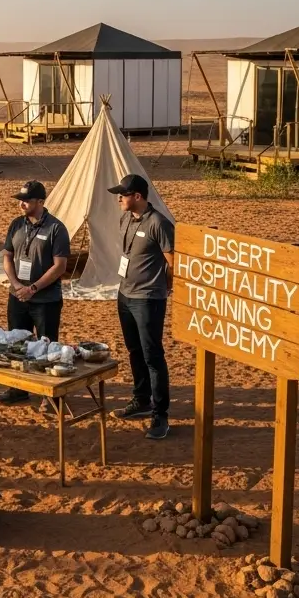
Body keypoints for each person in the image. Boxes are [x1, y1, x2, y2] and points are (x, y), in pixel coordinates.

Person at [107, 173, 174, 440]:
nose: (119, 199)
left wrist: (166, 287)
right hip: (125, 295)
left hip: (148, 299)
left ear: (137, 196)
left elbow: (173, 261)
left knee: (153, 356)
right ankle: (141, 400)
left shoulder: (159, 223)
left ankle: (160, 414)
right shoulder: (126, 218)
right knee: (134, 351)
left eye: (122, 195)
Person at [0, 181, 70, 406]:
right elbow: (7, 256)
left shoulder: (56, 228)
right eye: (20, 200)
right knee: (17, 344)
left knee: (47, 347)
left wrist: (33, 288)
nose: (21, 204)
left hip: (45, 300)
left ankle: (51, 395)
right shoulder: (16, 224)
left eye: (26, 200)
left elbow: (60, 266)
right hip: (18, 296)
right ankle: (18, 389)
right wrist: (17, 285)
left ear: (40, 201)